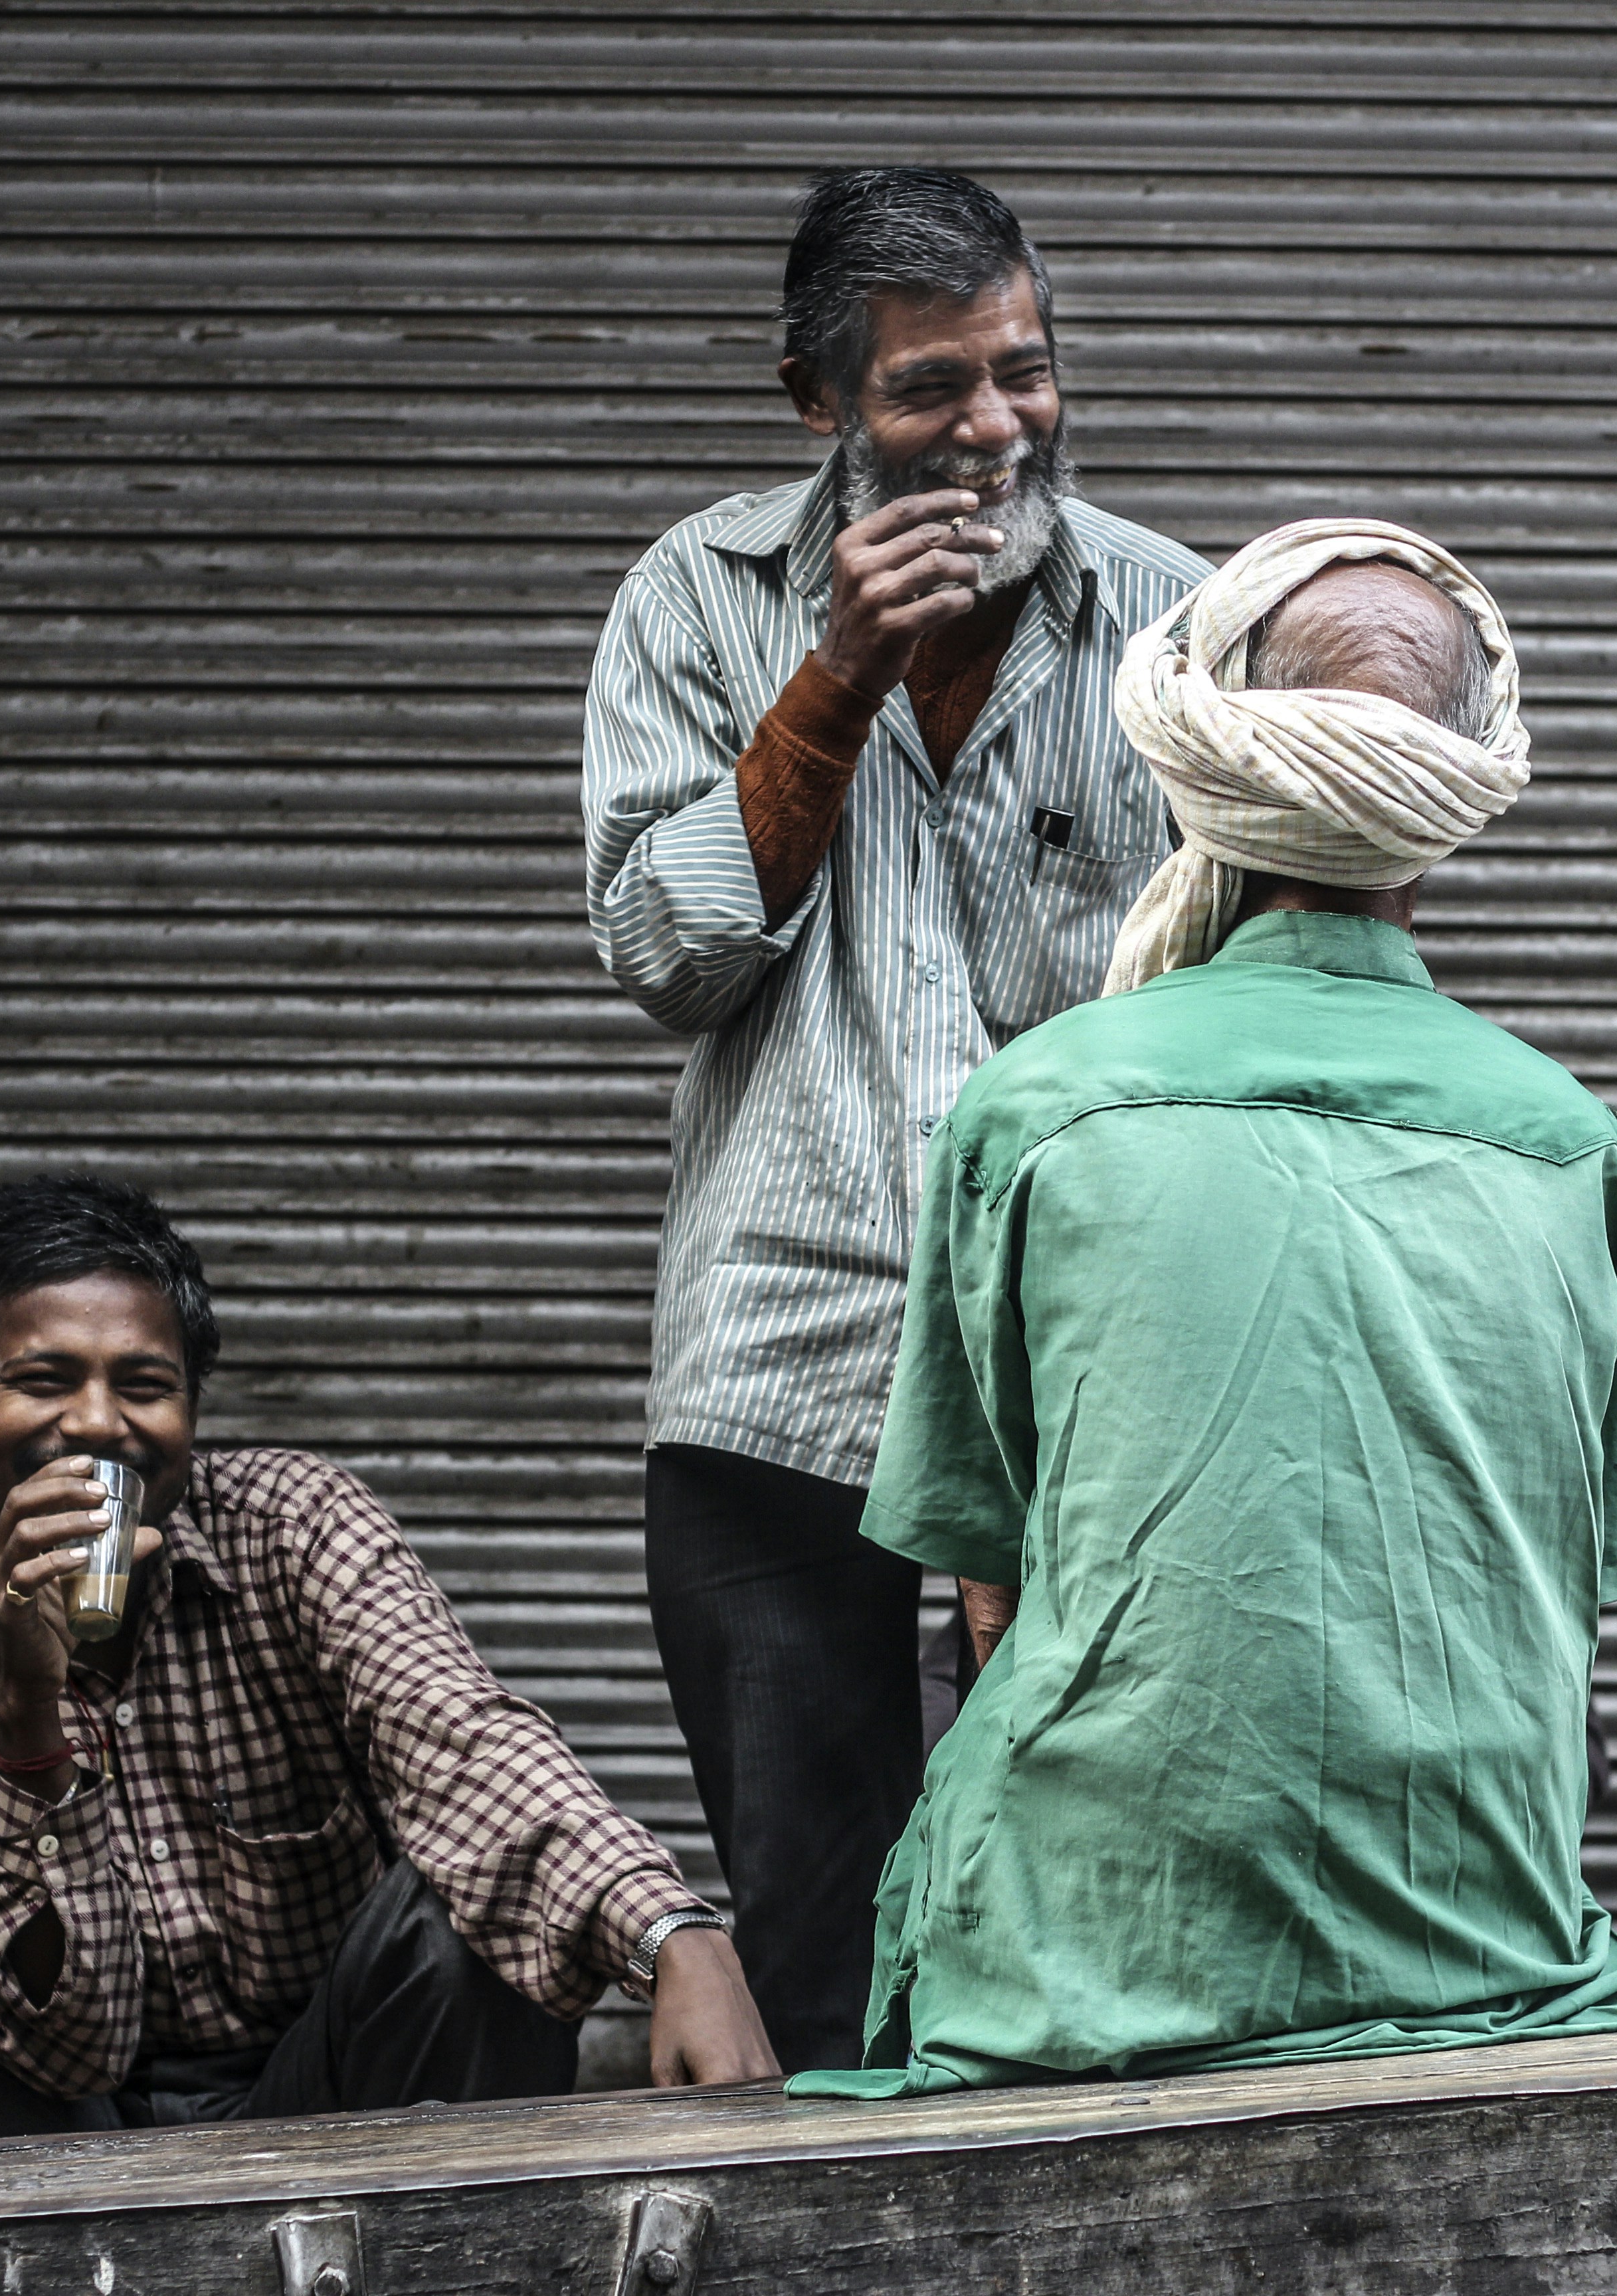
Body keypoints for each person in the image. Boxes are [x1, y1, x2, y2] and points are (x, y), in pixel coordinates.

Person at [789, 520, 1617, 2098]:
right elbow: (1556, 1594)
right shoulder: (1569, 1143)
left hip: (1090, 1954)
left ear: (1194, 758)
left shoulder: (1034, 1107)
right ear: (1447, 800)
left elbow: (990, 1595)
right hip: (1482, 1939)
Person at [580, 169, 1210, 2068]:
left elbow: (1240, 994)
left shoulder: (1173, 619)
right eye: (935, 389)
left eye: (1027, 371)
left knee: (1096, 1909)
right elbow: (662, 957)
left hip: (1105, 1382)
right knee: (820, 1938)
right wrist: (836, 675)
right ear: (817, 400)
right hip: (786, 1372)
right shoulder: (698, 602)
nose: (998, 428)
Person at [0, 1176, 776, 2152]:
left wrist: (671, 1934)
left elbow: (459, 1738)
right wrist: (32, 1717)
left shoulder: (292, 1527)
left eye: (144, 1384)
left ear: (191, 1412)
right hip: (31, 2129)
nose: (97, 1424)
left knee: (467, 1900)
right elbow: (70, 2050)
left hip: (324, 2104)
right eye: (43, 1379)